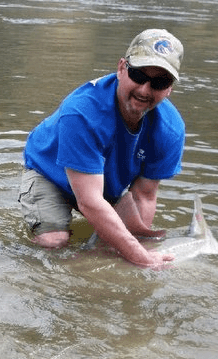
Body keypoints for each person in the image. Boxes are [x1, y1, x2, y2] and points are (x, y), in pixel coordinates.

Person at [18, 29, 186, 269]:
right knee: (54, 242)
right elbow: (89, 202)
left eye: (159, 82)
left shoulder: (171, 129)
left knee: (114, 250)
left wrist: (135, 248)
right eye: (138, 75)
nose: (145, 90)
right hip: (50, 172)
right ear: (121, 68)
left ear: (169, 89)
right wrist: (140, 257)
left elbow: (145, 196)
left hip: (102, 181)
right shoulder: (82, 112)